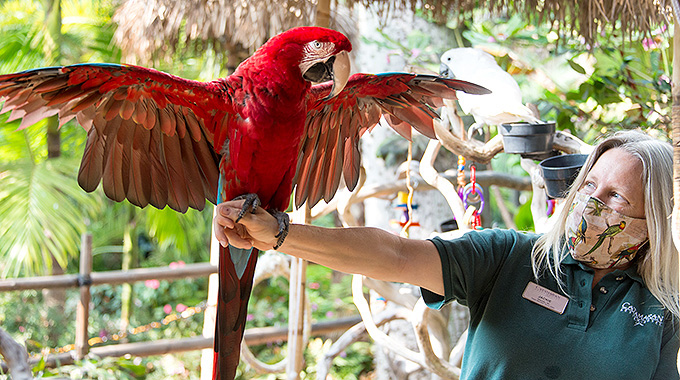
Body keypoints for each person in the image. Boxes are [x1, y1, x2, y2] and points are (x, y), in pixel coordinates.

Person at [213, 130, 679, 379]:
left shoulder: (662, 308)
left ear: (651, 220)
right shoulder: (511, 257)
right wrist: (279, 232)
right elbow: (393, 255)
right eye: (589, 185)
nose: (591, 204)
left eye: (616, 197)